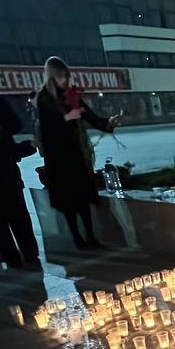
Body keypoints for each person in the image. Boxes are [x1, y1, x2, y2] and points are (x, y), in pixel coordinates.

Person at [36, 57, 120, 249]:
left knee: (83, 196)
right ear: (52, 76)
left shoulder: (71, 95)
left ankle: (91, 236)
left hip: (75, 154)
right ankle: (77, 238)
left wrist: (108, 123)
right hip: (58, 157)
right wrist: (67, 118)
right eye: (60, 77)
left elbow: (90, 117)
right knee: (68, 200)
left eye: (66, 77)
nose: (65, 81)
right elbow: (48, 130)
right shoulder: (44, 98)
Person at [0, 90, 40, 268]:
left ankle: (14, 260)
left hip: (4, 180)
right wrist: (27, 146)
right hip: (6, 179)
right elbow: (5, 151)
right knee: (19, 220)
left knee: (0, 225)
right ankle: (29, 257)